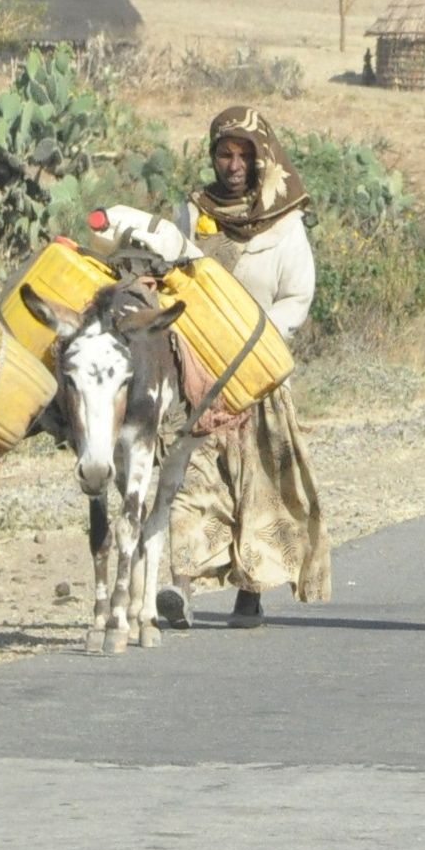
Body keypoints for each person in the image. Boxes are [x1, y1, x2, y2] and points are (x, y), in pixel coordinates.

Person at [160, 106, 331, 629]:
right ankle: (181, 585)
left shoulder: (284, 222)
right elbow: (174, 277)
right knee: (190, 477)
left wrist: (255, 341)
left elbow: (296, 295)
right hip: (200, 371)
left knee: (258, 484)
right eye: (223, 153)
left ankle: (251, 591)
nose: (233, 165)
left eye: (244, 155)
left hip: (257, 371)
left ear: (264, 160)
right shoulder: (193, 214)